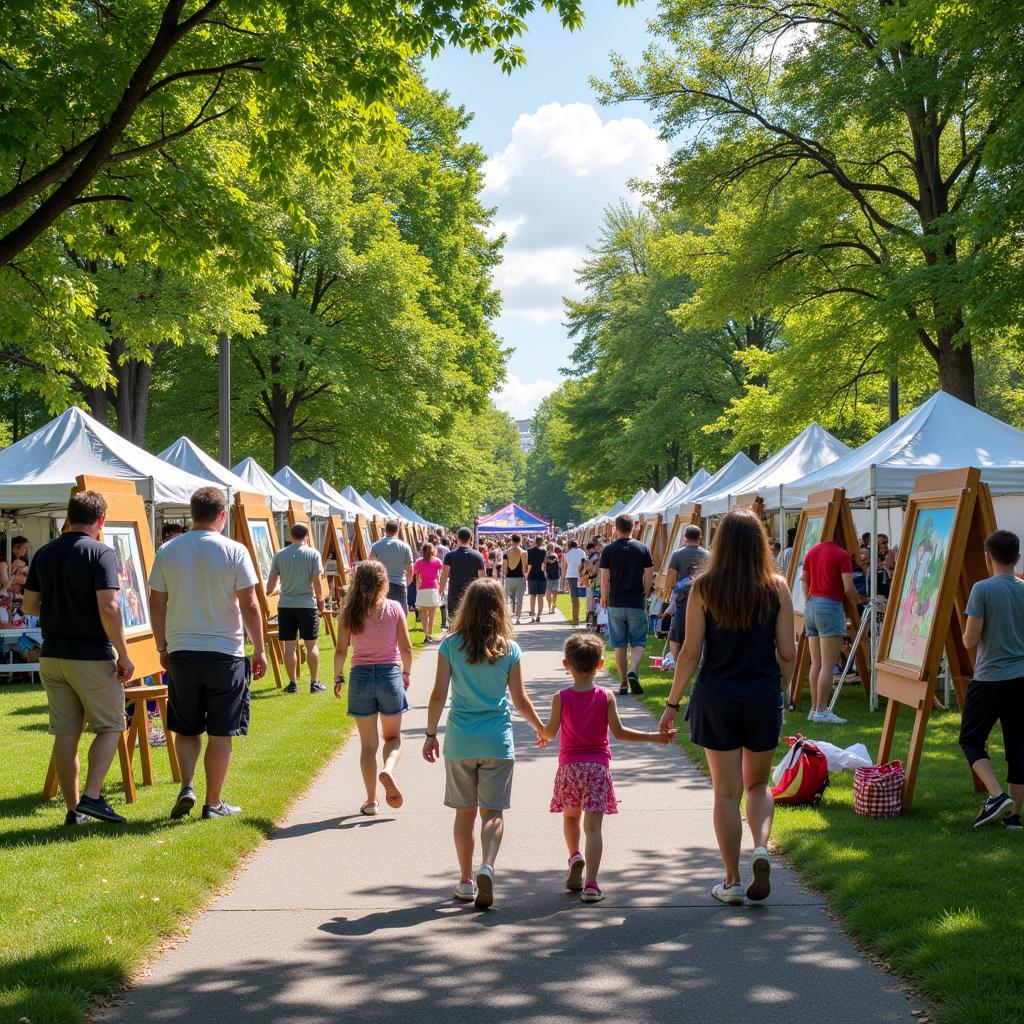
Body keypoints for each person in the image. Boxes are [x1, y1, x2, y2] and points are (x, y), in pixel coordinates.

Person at [660, 508, 796, 905]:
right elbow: (787, 651)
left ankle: (733, 880)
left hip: (716, 695)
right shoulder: (777, 587)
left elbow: (688, 653)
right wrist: (783, 693)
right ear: (760, 543)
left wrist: (671, 703)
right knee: (757, 784)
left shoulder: (704, 587)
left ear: (719, 543)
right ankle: (762, 848)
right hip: (762, 697)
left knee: (725, 791)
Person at [422, 578, 546, 908]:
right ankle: (487, 866)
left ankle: (465, 880)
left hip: (461, 740)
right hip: (497, 741)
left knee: (465, 814)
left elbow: (438, 694)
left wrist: (430, 732)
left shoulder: (450, 645)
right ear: (499, 608)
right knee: (493, 813)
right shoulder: (509, 649)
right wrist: (542, 729)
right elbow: (520, 701)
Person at [149, 487, 268, 820]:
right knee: (221, 731)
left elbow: (156, 603)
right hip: (224, 652)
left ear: (191, 513)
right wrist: (259, 648)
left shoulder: (168, 550)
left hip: (182, 651)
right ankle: (213, 803)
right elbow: (250, 603)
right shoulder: (234, 550)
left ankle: (187, 785)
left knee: (186, 728)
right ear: (223, 514)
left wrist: (162, 646)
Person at [22, 491, 135, 826]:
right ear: (101, 521)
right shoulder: (101, 552)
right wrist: (125, 654)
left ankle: (74, 811)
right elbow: (109, 606)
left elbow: (29, 607)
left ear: (68, 516)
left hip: (52, 655)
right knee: (113, 724)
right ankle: (93, 797)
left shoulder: (43, 553)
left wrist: (60, 613)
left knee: (65, 734)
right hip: (89, 655)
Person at [540, 632, 674, 902]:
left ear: (567, 665)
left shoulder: (560, 698)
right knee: (593, 828)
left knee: (570, 817)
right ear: (600, 665)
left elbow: (549, 732)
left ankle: (574, 856)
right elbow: (620, 733)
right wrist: (654, 737)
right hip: (597, 769)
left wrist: (540, 731)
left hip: (570, 769)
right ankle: (591, 884)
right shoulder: (606, 696)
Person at [334, 560, 414, 815]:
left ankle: (371, 801)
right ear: (383, 582)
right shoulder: (394, 608)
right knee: (392, 738)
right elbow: (406, 648)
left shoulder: (349, 612)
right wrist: (407, 672)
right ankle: (388, 769)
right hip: (389, 675)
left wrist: (337, 677)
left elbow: (340, 650)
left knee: (368, 746)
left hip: (360, 677)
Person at [959, 530, 1024, 830]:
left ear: (988, 557)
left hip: (988, 678)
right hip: (1021, 678)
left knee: (971, 739)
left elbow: (970, 641)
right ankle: (1014, 818)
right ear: (1018, 558)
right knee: (1018, 747)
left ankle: (996, 795)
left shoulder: (982, 589)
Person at [800, 534, 860, 724]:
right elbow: (848, 587)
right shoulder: (842, 555)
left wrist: (809, 597)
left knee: (816, 664)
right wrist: (858, 602)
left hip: (811, 606)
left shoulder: (812, 552)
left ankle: (814, 708)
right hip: (830, 606)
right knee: (827, 665)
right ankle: (821, 710)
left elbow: (804, 580)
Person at [266, 522, 326, 694]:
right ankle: (314, 682)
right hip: (307, 604)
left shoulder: (280, 554)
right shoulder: (313, 554)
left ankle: (292, 684)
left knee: (289, 646)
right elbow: (316, 582)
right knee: (311, 645)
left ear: (290, 535)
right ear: (306, 535)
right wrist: (321, 601)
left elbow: (270, 588)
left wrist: (278, 589)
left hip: (286, 605)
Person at [600, 514, 654, 696]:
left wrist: (604, 597)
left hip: (616, 602)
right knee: (638, 641)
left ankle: (623, 682)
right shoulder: (642, 548)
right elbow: (649, 574)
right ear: (633, 528)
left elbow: (605, 577)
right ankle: (634, 670)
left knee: (619, 644)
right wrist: (646, 592)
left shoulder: (608, 550)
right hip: (635, 601)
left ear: (616, 528)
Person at [666, 525, 709, 662]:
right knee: (700, 628)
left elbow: (671, 577)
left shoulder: (677, 554)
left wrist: (668, 594)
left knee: (676, 631)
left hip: (682, 598)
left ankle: (676, 661)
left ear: (685, 537)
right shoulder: (707, 555)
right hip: (702, 595)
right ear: (699, 537)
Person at [438, 527, 485, 621]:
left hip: (455, 595)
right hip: (472, 595)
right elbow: (482, 578)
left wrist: (440, 591)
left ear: (457, 538)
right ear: (470, 539)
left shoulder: (450, 556)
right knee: (471, 622)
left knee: (454, 623)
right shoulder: (478, 556)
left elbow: (444, 575)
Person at [368, 520, 414, 615]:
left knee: (381, 614)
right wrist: (409, 580)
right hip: (399, 584)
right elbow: (410, 567)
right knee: (400, 614)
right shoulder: (404, 546)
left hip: (381, 584)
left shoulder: (376, 546)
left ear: (385, 530)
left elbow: (371, 566)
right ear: (397, 531)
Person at [413, 541, 444, 643]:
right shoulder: (437, 561)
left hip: (422, 589)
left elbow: (415, 573)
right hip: (433, 589)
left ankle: (426, 635)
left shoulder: (419, 562)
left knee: (423, 615)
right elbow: (441, 572)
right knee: (432, 615)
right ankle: (429, 635)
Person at [502, 533, 527, 625]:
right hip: (520, 577)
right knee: (519, 597)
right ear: (520, 541)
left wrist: (504, 575)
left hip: (509, 578)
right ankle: (518, 617)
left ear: (512, 541)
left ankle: (507, 617)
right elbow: (524, 568)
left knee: (507, 598)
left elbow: (504, 567)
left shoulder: (506, 552)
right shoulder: (523, 552)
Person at [562, 539, 587, 627]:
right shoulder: (582, 552)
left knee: (574, 598)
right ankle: (579, 618)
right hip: (580, 575)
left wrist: (563, 580)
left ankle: (575, 618)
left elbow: (565, 567)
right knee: (583, 597)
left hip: (570, 575)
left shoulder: (567, 554)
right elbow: (584, 564)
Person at [526, 536, 547, 623]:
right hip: (541, 575)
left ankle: (532, 614)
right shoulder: (544, 551)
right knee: (540, 596)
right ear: (542, 542)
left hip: (532, 575)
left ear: (535, 541)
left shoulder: (529, 551)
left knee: (532, 596)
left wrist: (527, 574)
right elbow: (544, 565)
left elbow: (529, 565)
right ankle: (539, 615)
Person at [544, 542, 561, 614]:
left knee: (554, 592)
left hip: (555, 576)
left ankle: (553, 606)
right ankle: (550, 607)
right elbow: (545, 564)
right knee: (548, 593)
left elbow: (552, 561)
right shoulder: (546, 555)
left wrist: (546, 559)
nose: (552, 548)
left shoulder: (554, 555)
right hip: (549, 576)